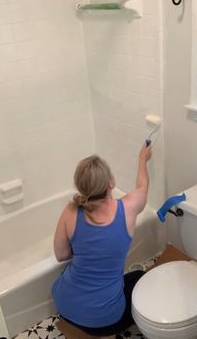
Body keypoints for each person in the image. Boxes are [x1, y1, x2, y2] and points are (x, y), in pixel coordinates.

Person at [52, 144, 152, 337]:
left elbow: (61, 255)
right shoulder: (128, 208)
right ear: (111, 183)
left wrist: (88, 248)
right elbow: (142, 187)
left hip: (64, 305)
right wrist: (142, 158)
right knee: (139, 277)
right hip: (104, 321)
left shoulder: (70, 211)